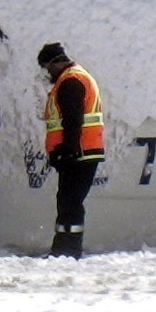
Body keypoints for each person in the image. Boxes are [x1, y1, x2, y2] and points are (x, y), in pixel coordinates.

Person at [37, 41, 104, 258]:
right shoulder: (77, 76)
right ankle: (64, 248)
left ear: (56, 63)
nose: (48, 74)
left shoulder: (70, 81)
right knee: (67, 200)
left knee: (70, 202)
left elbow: (72, 119)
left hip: (78, 152)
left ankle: (69, 250)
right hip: (83, 151)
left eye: (48, 68)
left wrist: (68, 148)